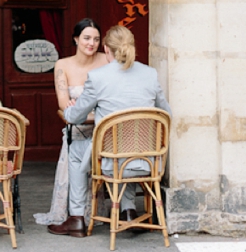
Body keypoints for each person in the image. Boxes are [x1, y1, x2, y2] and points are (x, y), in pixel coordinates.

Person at [51, 24, 171, 237]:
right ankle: (128, 210)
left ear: (106, 49)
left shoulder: (98, 77)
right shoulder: (150, 74)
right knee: (130, 145)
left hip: (110, 163)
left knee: (76, 150)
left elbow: (75, 117)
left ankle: (77, 217)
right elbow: (166, 114)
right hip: (148, 161)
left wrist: (69, 112)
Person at [33, 17, 108, 231]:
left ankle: (93, 213)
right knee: (73, 147)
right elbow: (65, 107)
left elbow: (112, 100)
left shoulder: (106, 61)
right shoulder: (62, 65)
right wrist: (96, 110)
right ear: (76, 39)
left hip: (103, 131)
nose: (91, 43)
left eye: (95, 39)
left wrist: (82, 110)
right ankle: (71, 215)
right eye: (86, 38)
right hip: (76, 131)